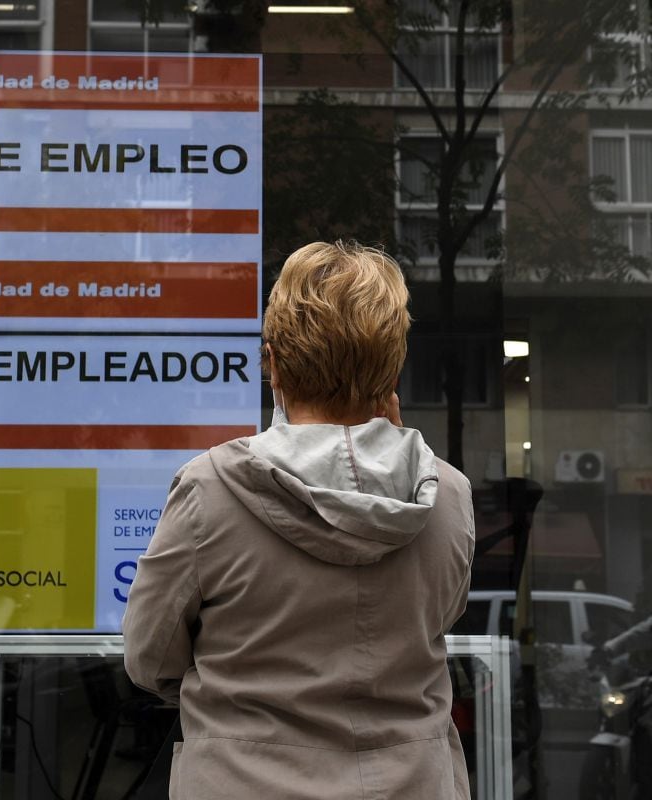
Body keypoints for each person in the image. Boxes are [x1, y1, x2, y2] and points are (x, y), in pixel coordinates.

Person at [122, 241, 475, 799]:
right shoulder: (447, 494)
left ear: (274, 364)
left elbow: (150, 654)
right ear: (392, 370)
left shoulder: (210, 488)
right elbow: (436, 618)